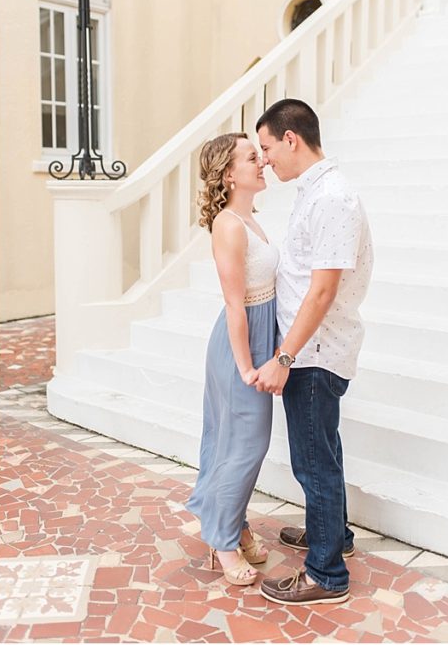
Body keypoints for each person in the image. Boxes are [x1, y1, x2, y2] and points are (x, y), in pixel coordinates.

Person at [251, 98, 373, 605]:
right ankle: (334, 536)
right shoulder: (317, 192)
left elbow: (322, 290)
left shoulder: (333, 199)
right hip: (313, 350)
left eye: (265, 148)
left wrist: (284, 357)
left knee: (313, 464)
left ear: (291, 139)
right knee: (325, 451)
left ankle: (326, 575)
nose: (263, 160)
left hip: (315, 354)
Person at [186, 133, 277, 586]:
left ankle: (235, 525)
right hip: (240, 345)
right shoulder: (228, 224)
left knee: (240, 443)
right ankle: (222, 539)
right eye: (250, 157)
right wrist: (245, 366)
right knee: (244, 446)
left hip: (260, 338)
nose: (261, 161)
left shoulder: (250, 218)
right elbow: (235, 303)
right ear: (228, 173)